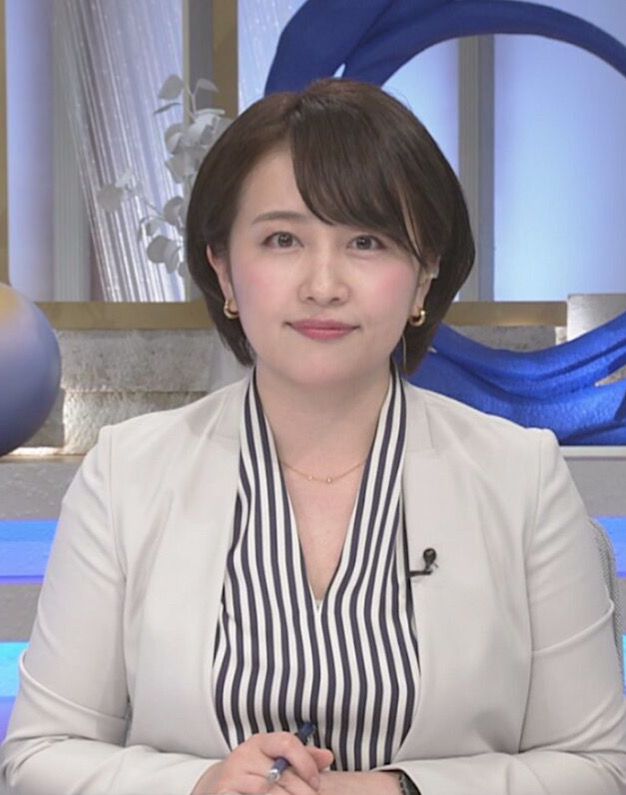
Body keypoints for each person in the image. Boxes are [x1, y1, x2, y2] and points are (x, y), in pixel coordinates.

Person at [1, 78, 625, 795]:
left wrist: (399, 789)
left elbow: (598, 766)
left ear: (424, 277)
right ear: (223, 268)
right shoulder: (127, 473)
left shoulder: (521, 475)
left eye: (366, 241)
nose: (323, 284)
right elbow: (39, 755)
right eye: (283, 240)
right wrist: (200, 785)